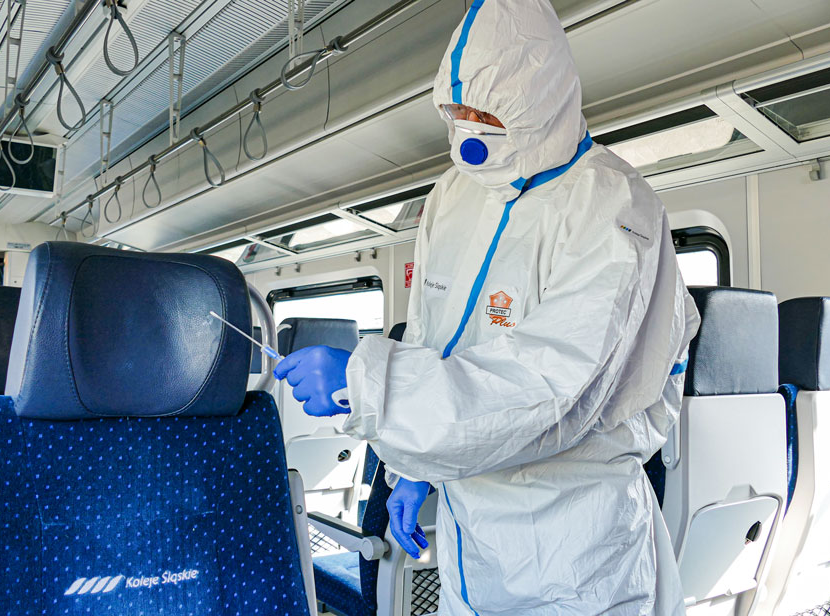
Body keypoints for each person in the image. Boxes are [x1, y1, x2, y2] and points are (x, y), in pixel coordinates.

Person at [274, 0, 699, 613]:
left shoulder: (611, 205)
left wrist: (367, 386)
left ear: (540, 98)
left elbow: (550, 385)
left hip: (574, 553)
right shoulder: (452, 195)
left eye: (488, 112)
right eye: (458, 110)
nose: (469, 128)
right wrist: (414, 467)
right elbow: (431, 339)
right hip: (471, 538)